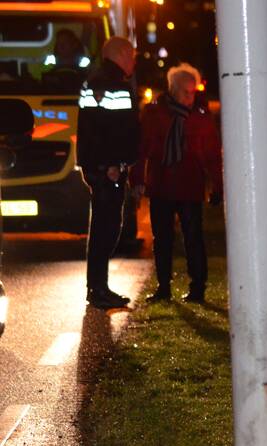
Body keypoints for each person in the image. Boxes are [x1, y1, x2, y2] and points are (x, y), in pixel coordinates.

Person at [131, 63, 222, 304]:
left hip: (189, 186)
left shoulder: (199, 117)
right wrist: (138, 180)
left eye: (193, 92)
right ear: (172, 89)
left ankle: (197, 287)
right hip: (162, 185)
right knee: (163, 239)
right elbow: (143, 149)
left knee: (193, 237)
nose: (190, 97)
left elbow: (212, 154)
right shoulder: (155, 114)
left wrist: (217, 185)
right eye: (185, 92)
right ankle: (164, 287)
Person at [76, 36, 139, 309]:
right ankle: (98, 289)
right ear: (123, 54)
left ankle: (98, 287)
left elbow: (89, 129)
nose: (134, 61)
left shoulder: (93, 81)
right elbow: (116, 131)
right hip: (109, 169)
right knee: (107, 228)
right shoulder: (115, 86)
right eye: (133, 56)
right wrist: (115, 164)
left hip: (99, 167)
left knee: (103, 227)